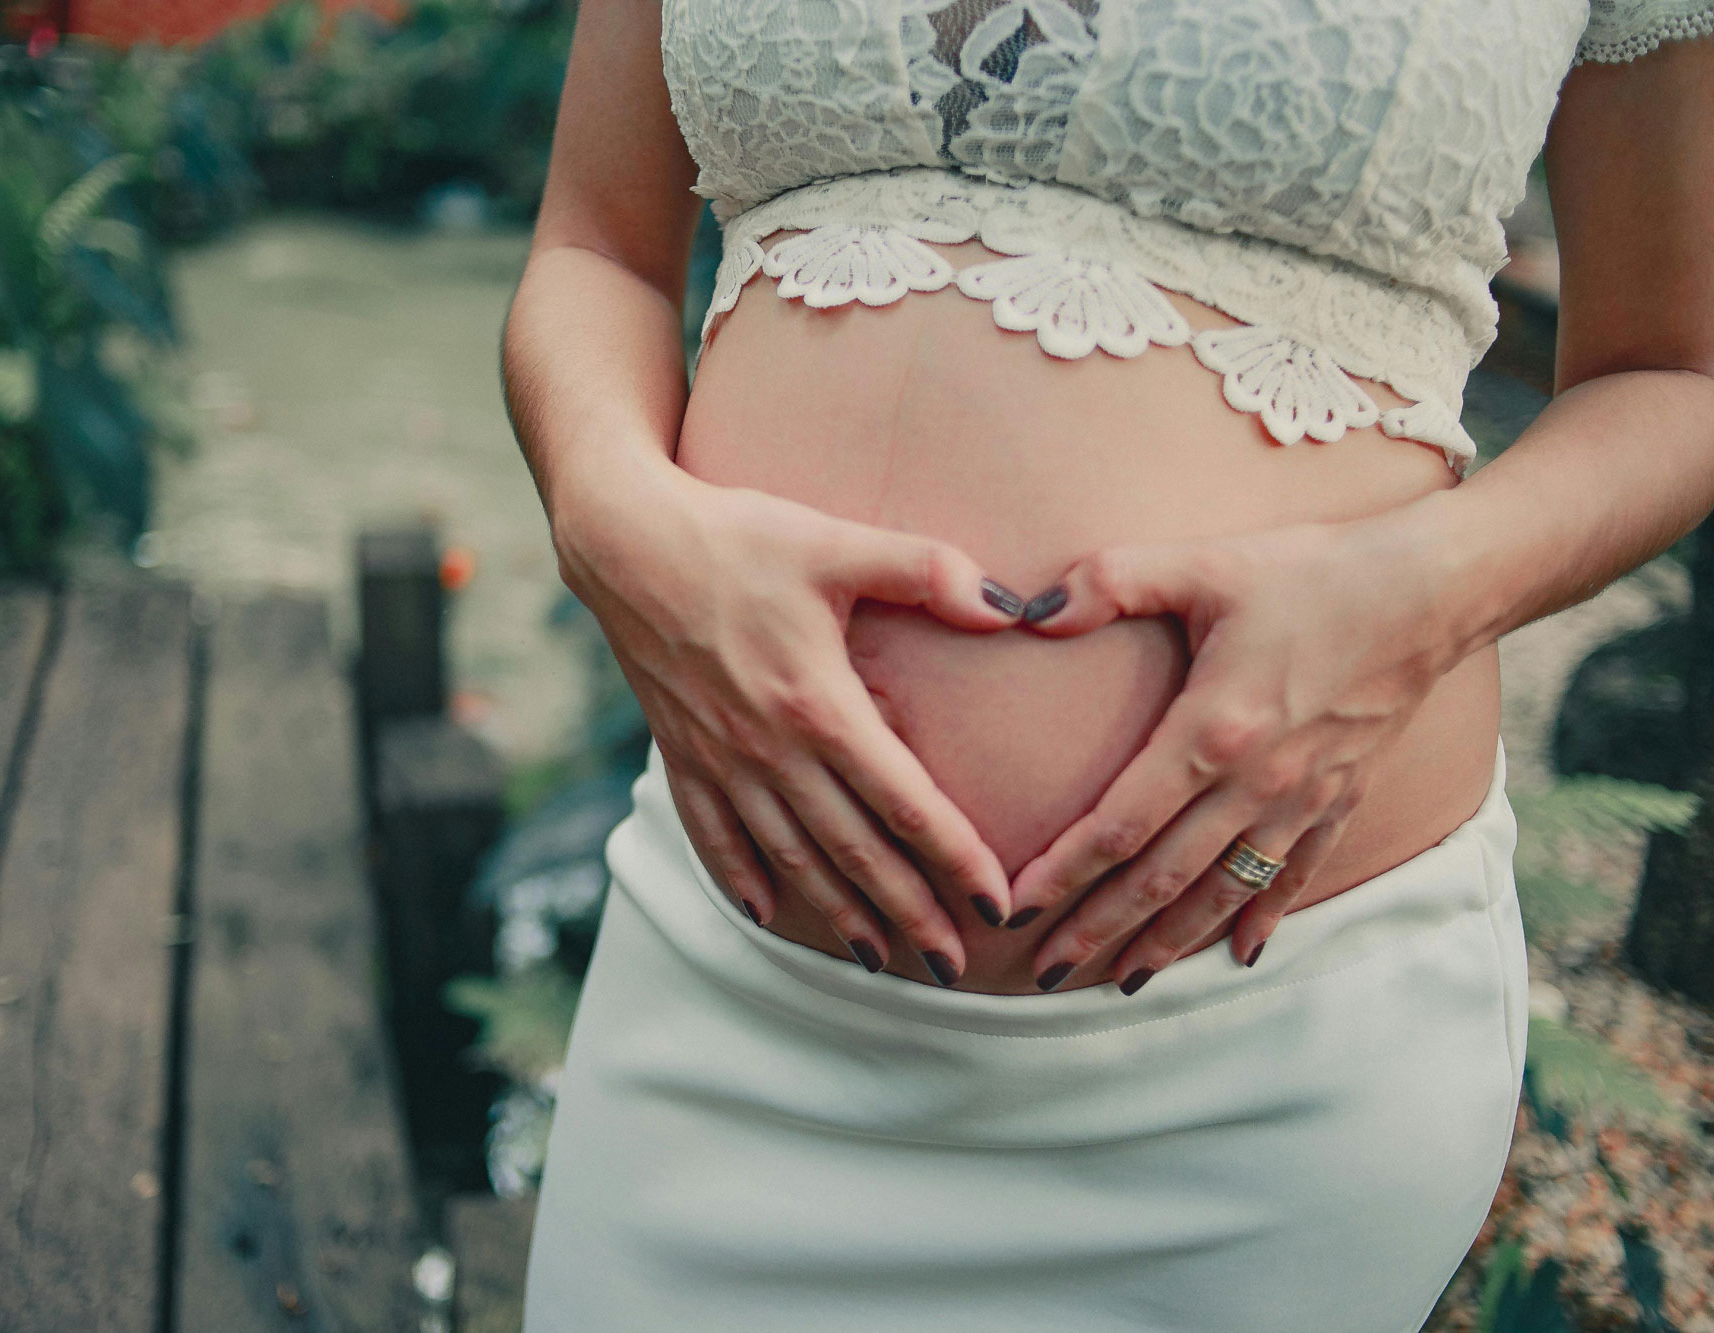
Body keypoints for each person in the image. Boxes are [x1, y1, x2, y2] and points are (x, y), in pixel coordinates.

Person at [500, 1, 1714, 1328]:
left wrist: (1415, 599)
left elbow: (1674, 373)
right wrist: (611, 514)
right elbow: (594, 249)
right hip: (723, 992)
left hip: (1262, 1057)